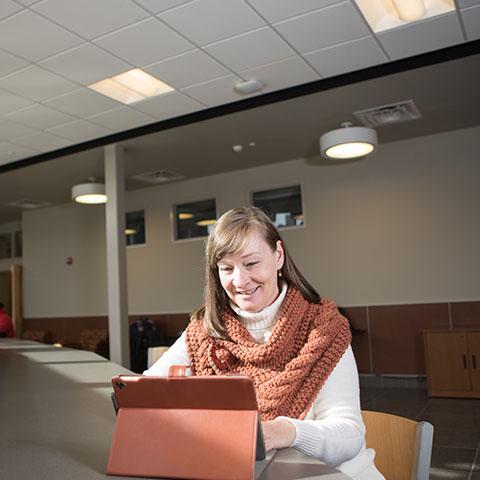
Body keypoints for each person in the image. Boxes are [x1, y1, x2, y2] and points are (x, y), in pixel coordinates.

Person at [145, 207, 384, 480]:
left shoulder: (324, 329)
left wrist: (284, 431)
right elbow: (147, 391)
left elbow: (349, 435)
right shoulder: (205, 331)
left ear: (278, 256)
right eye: (226, 268)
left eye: (251, 263)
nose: (240, 281)